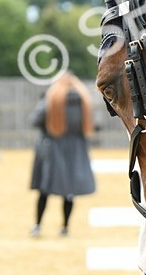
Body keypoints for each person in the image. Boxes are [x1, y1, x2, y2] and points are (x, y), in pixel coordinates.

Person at [29, 72, 96, 237]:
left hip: (54, 148)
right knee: (69, 191)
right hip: (77, 149)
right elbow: (94, 124)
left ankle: (37, 226)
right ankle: (65, 227)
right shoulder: (84, 101)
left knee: (45, 189)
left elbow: (34, 120)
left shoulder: (51, 98)